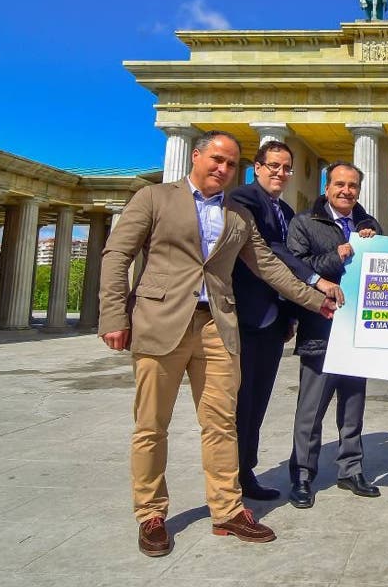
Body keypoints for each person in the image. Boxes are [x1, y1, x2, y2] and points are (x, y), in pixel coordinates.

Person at [99, 130, 339, 557]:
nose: (223, 169)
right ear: (196, 156)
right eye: (216, 159)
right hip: (160, 323)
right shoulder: (154, 198)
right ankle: (151, 514)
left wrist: (315, 300)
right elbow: (117, 255)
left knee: (221, 422)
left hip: (217, 326)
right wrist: (114, 315)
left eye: (230, 164)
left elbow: (268, 266)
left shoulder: (237, 216)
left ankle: (227, 510)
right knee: (152, 425)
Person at [230, 140, 345, 501]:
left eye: (287, 167)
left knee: (257, 401)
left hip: (271, 318)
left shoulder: (281, 207)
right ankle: (229, 478)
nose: (280, 173)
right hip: (245, 317)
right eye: (274, 166)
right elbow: (271, 251)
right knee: (239, 402)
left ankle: (245, 471)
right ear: (257, 167)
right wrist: (315, 281)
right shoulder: (243, 200)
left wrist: (290, 314)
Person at [284, 161, 383, 508]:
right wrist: (334, 257)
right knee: (311, 409)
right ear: (326, 188)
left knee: (353, 405)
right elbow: (294, 269)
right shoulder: (303, 223)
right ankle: (302, 474)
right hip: (321, 330)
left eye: (352, 186)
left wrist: (375, 238)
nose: (346, 191)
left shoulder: (367, 226)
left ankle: (351, 469)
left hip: (359, 331)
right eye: (339, 184)